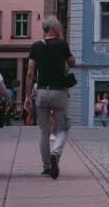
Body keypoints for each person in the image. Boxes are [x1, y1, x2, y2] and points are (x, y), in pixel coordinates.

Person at [24, 17, 74, 179]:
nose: (60, 29)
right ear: (53, 28)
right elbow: (72, 63)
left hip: (41, 92)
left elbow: (30, 73)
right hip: (59, 92)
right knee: (62, 128)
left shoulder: (36, 46)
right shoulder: (62, 45)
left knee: (44, 131)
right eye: (59, 26)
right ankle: (56, 153)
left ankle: (46, 167)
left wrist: (27, 96)